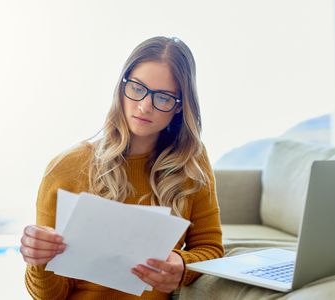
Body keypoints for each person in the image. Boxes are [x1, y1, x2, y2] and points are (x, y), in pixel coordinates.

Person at [20, 36, 224, 299]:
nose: (144, 106)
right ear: (121, 87)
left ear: (179, 106)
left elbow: (210, 247)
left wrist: (183, 265)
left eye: (162, 97)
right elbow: (47, 295)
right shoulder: (65, 168)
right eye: (137, 88)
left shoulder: (191, 161)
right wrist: (38, 261)